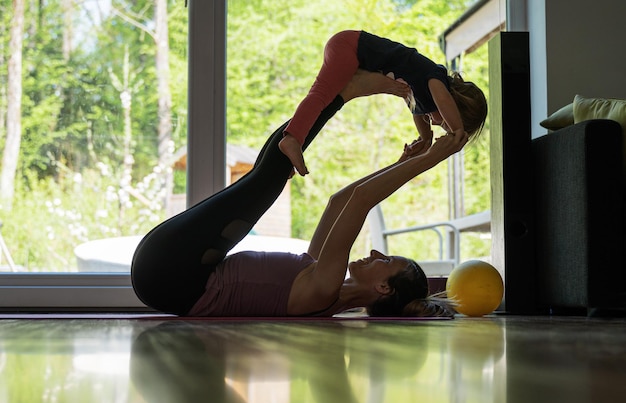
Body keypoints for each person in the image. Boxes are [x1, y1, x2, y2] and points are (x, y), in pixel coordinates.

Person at [131, 74, 463, 318]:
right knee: (265, 177)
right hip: (172, 274)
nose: (376, 251)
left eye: (387, 261)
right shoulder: (319, 279)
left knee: (265, 182)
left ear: (384, 289)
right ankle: (339, 93)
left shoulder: (324, 289)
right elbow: (339, 203)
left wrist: (429, 160)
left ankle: (341, 93)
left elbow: (362, 201)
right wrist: (402, 162)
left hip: (173, 276)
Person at [279, 29, 488, 176]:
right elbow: (442, 98)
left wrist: (425, 140)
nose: (436, 123)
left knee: (326, 105)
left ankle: (293, 150)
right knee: (321, 95)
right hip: (351, 47)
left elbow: (417, 113)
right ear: (454, 104)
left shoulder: (421, 99)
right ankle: (292, 138)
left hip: (352, 52)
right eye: (443, 123)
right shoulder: (435, 77)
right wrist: (456, 131)